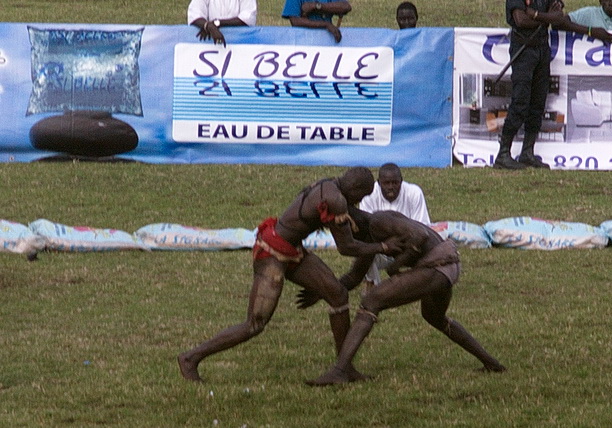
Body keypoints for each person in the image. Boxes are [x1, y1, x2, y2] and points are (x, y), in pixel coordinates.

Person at [177, 167, 403, 382]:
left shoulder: (330, 184)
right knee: (255, 324)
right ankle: (191, 358)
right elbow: (347, 248)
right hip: (272, 253)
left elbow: (355, 217)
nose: (358, 202)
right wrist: (383, 247)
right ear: (353, 190)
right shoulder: (336, 200)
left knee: (337, 294)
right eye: (360, 196)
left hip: (292, 249)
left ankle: (343, 368)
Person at [302, 207, 506, 386]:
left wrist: (396, 265)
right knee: (434, 317)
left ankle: (340, 371)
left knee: (371, 301)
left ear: (350, 224)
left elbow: (419, 235)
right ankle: (492, 363)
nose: (341, 240)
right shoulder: (369, 236)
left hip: (438, 265)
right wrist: (323, 291)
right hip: (445, 264)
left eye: (339, 233)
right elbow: (354, 277)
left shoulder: (379, 221)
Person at [497, 0, 612, 170]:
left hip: (542, 49)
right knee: (520, 101)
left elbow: (560, 17)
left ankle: (527, 152)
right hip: (523, 48)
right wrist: (545, 16)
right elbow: (520, 19)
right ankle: (503, 153)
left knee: (538, 102)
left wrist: (538, 14)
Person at [359, 163, 431, 288]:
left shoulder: (414, 193)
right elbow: (365, 231)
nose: (391, 187)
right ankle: (373, 286)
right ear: (379, 183)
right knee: (363, 249)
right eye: (386, 183)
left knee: (429, 248)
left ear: (401, 182)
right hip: (382, 248)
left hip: (409, 249)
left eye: (395, 183)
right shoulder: (368, 196)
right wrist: (386, 245)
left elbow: (422, 229)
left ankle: (414, 282)